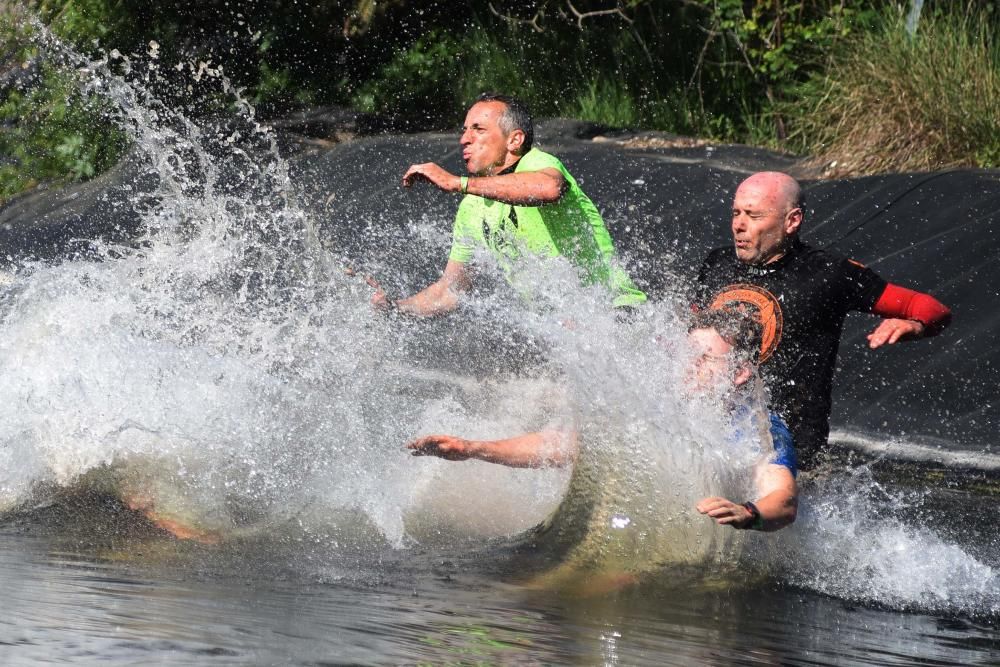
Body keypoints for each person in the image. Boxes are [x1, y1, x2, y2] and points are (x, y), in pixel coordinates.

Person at [408, 309, 798, 532]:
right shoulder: (663, 407)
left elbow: (783, 499)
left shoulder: (760, 428)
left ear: (741, 372)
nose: (688, 369)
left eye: (704, 361)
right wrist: (474, 448)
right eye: (687, 356)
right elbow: (566, 445)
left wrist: (748, 513)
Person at [693, 171, 952, 470]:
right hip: (714, 435)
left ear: (792, 221)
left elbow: (931, 308)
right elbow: (694, 334)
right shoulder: (717, 263)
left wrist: (915, 325)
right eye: (736, 213)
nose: (739, 224)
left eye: (753, 215)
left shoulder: (830, 273)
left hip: (789, 450)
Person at [370, 93, 646, 316]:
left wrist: (457, 182)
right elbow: (450, 291)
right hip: (567, 337)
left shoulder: (537, 162)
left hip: (615, 315)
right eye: (465, 130)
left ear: (515, 139)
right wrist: (394, 308)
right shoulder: (471, 208)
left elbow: (549, 188)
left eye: (478, 129)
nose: (464, 139)